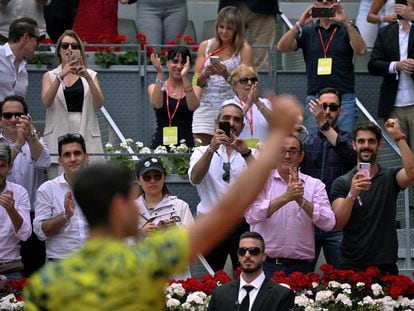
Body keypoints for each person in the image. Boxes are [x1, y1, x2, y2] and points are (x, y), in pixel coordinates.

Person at [24, 93, 302, 310]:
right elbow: (229, 210)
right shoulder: (145, 260)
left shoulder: (45, 284)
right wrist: (277, 133)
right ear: (119, 207)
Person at [331, 120, 414, 275]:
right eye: (361, 141)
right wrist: (352, 194)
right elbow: (338, 223)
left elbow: (411, 173)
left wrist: (399, 137)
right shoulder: (342, 182)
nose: (366, 146)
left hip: (385, 265)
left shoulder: (390, 177)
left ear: (379, 145)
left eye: (371, 141)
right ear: (354, 145)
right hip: (352, 265)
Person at [246, 134, 336, 277]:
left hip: (301, 267)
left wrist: (301, 200)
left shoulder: (314, 185)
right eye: (282, 151)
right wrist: (286, 197)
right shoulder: (260, 181)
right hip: (265, 264)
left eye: (293, 151)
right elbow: (251, 215)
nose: (287, 156)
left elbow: (328, 222)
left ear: (301, 156)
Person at [276, 0, 367, 135]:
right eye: (320, 0)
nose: (325, 2)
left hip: (343, 97)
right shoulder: (308, 31)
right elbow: (281, 47)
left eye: (329, 0)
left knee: (345, 143)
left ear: (336, 2)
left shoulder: (346, 29)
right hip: (316, 98)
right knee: (315, 144)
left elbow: (361, 50)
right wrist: (299, 24)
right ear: (315, 4)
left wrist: (346, 22)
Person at [189, 102, 253, 272]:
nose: (231, 123)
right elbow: (195, 178)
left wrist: (246, 153)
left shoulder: (250, 151)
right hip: (211, 224)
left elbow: (261, 184)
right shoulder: (201, 151)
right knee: (209, 278)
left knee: (244, 278)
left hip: (242, 225)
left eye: (236, 120)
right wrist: (211, 148)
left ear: (242, 126)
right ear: (217, 123)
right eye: (226, 118)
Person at [300, 87, 356, 271]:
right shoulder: (306, 140)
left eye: (333, 107)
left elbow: (351, 156)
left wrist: (324, 127)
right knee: (301, 278)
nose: (327, 111)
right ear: (315, 107)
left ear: (341, 110)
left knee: (343, 279)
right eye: (323, 106)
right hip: (309, 219)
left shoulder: (349, 138)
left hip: (337, 219)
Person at [41, 29, 104, 178]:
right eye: (65, 46)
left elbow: (99, 103)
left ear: (80, 51)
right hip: (58, 132)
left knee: (88, 186)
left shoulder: (91, 74)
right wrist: (60, 76)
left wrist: (87, 77)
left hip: (85, 128)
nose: (70, 49)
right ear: (58, 51)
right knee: (58, 185)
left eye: (74, 46)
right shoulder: (50, 76)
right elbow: (46, 102)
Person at [0, 95, 51, 276]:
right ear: (0, 119)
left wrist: (29, 138)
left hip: (30, 214)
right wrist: (18, 146)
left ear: (26, 118)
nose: (13, 119)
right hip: (2, 217)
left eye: (18, 115)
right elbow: (2, 168)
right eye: (7, 115)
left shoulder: (35, 140)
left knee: (33, 275)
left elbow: (44, 162)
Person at [193, 6, 253, 145]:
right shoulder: (205, 46)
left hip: (229, 109)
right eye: (221, 27)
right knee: (202, 151)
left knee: (227, 147)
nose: (224, 31)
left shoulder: (244, 49)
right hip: (205, 106)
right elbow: (194, 80)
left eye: (229, 28)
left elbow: (247, 85)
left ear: (237, 30)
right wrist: (205, 75)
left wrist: (226, 74)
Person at [135, 156, 194, 279]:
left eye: (157, 176)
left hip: (175, 278)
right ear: (139, 181)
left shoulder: (180, 206)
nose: (152, 181)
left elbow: (194, 242)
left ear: (164, 177)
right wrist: (140, 233)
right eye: (147, 177)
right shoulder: (130, 209)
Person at [33, 133, 89, 261]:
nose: (73, 159)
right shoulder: (47, 189)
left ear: (86, 157)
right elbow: (41, 232)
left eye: (77, 153)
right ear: (60, 161)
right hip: (60, 264)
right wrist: (65, 216)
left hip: (93, 263)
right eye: (67, 155)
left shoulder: (99, 187)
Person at [207, 231, 295, 311]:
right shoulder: (219, 293)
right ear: (238, 255)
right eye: (242, 251)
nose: (247, 255)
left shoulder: (282, 295)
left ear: (264, 256)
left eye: (254, 251)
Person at [368, 0, 414, 148]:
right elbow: (373, 65)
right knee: (401, 155)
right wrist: (396, 66)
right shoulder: (386, 32)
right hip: (393, 105)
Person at [148, 46, 202, 149]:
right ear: (167, 63)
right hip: (160, 145)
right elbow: (156, 104)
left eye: (183, 63)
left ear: (188, 65)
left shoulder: (195, 89)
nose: (179, 66)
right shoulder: (154, 87)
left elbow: (192, 106)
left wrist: (184, 76)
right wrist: (160, 73)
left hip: (186, 145)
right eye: (175, 61)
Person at [218, 0, 279, 70]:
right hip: (231, 5)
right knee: (226, 53)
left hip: (263, 7)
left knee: (261, 58)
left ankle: (259, 80)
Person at [0, 143, 31, 279]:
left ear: (9, 167)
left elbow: (25, 235)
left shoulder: (19, 192)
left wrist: (11, 210)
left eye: (2, 166)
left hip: (10, 268)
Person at [226, 64, 272, 144]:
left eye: (253, 80)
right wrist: (247, 105)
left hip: (263, 152)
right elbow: (226, 130)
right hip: (238, 151)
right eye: (244, 80)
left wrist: (257, 102)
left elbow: (277, 125)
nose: (250, 83)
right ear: (234, 86)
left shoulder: (266, 103)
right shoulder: (228, 104)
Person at [0, 17, 39, 101]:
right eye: (37, 40)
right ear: (26, 37)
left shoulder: (23, 71)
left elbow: (20, 106)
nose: (38, 45)